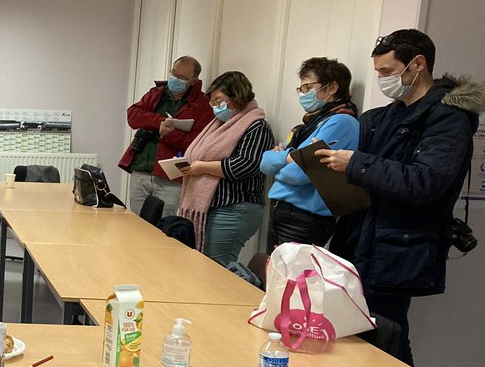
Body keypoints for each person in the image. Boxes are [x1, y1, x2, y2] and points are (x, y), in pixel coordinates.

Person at [318, 28, 482, 367]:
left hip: (396, 248)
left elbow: (425, 182)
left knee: (388, 340)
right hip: (362, 238)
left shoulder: (447, 118)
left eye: (387, 72)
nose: (381, 80)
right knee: (368, 339)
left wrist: (356, 164)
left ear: (417, 64)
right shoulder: (385, 116)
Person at [259, 57, 359, 250]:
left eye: (307, 88)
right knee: (273, 275)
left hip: (304, 218)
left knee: (292, 279)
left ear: (331, 88)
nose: (302, 94)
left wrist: (281, 162)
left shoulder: (342, 122)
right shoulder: (306, 127)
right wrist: (289, 157)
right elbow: (264, 163)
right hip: (282, 210)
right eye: (301, 89)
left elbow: (298, 173)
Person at [177, 71, 276, 265]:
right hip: (213, 208)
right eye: (213, 103)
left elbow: (245, 166)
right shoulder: (218, 125)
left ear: (237, 96)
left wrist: (202, 168)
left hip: (235, 207)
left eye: (219, 101)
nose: (215, 107)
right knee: (204, 265)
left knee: (216, 269)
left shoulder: (257, 126)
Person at [119, 55, 214, 218]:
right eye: (174, 74)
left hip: (171, 176)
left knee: (163, 227)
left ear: (193, 80)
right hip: (141, 168)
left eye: (182, 78)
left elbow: (199, 142)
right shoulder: (157, 93)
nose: (175, 79)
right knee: (135, 225)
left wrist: (170, 134)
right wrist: (161, 121)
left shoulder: (202, 104)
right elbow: (133, 116)